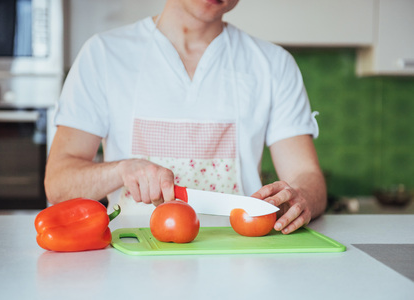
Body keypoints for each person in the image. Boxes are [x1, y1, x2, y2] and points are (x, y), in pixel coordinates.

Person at [44, 0, 327, 234]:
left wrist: (301, 198)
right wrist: (121, 170)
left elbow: (307, 177)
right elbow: (58, 183)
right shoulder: (103, 55)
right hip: (131, 253)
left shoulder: (274, 64)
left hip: (241, 256)